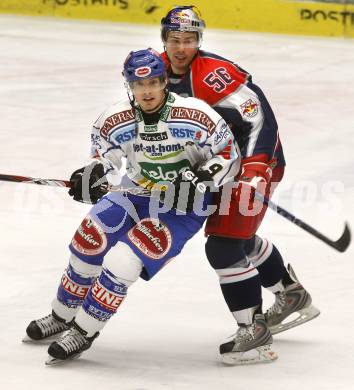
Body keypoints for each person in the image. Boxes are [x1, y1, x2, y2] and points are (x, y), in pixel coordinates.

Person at [24, 48, 242, 364]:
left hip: (183, 205)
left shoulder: (196, 114)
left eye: (154, 82)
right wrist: (93, 174)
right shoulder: (114, 120)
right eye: (140, 85)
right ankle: (60, 316)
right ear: (129, 85)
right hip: (135, 192)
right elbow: (106, 158)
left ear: (164, 81)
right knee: (88, 242)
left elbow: (229, 156)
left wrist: (200, 177)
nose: (147, 91)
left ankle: (83, 331)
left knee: (123, 262)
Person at [160, 5, 320, 365]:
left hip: (254, 166)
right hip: (217, 168)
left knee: (224, 247)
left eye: (189, 40)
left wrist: (255, 169)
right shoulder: (153, 73)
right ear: (164, 40)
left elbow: (260, 120)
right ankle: (290, 295)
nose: (182, 47)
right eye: (175, 40)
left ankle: (253, 332)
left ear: (199, 41)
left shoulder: (214, 75)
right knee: (241, 237)